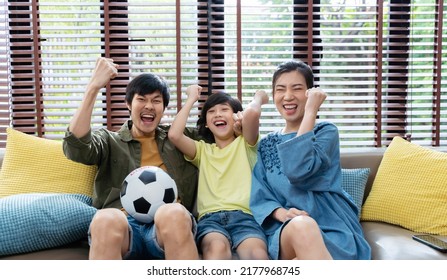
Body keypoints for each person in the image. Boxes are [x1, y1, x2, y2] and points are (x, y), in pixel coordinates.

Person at [62, 57, 203, 260]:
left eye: (156, 101)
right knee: (104, 219)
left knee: (174, 213)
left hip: (166, 228)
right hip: (123, 227)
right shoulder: (110, 141)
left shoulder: (179, 139)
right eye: (141, 99)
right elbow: (76, 147)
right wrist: (93, 87)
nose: (149, 106)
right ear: (128, 104)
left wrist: (238, 121)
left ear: (164, 108)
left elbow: (222, 134)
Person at [249, 60, 371, 260]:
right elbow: (260, 194)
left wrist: (311, 111)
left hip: (332, 226)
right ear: (274, 95)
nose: (288, 96)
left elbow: (298, 169)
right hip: (289, 228)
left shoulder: (326, 132)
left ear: (309, 93)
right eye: (280, 89)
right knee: (302, 225)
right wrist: (282, 214)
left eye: (297, 88)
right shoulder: (267, 144)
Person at [168, 85, 269, 260]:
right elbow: (175, 135)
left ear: (237, 116)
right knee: (217, 249)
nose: (218, 114)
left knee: (257, 254)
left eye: (224, 109)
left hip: (246, 218)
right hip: (210, 219)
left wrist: (259, 97)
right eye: (211, 111)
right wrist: (192, 98)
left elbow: (252, 115)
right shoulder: (202, 151)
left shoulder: (247, 144)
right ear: (206, 123)